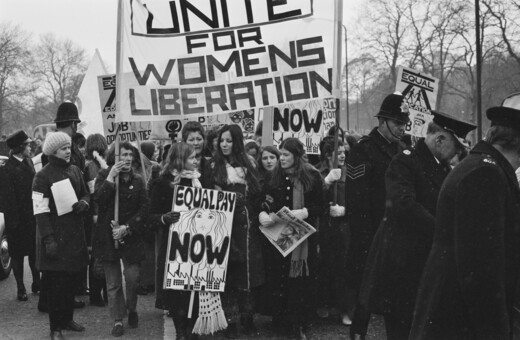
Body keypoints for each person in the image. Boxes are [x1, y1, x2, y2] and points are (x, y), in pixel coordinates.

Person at [351, 111, 476, 340]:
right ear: (439, 140)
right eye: (456, 148)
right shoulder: (405, 160)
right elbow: (403, 204)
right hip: (401, 265)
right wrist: (444, 229)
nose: (457, 155)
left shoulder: (439, 166)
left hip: (421, 264)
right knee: (402, 329)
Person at [409, 105, 520, 339]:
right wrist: (496, 330)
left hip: (451, 304)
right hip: (460, 314)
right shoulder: (487, 174)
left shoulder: (480, 166)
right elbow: (481, 266)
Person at [344, 92, 409, 314]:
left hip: (396, 229)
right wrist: (367, 235)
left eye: (404, 123)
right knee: (365, 287)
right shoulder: (363, 149)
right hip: (370, 229)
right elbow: (356, 198)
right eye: (397, 123)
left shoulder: (402, 149)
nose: (402, 128)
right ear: (382, 121)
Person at [258, 138, 324, 340]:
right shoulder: (273, 176)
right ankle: (280, 318)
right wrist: (263, 213)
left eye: (286, 154)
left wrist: (304, 211)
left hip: (303, 239)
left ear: (296, 155)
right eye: (281, 154)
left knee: (300, 281)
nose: (282, 158)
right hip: (279, 236)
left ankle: (299, 321)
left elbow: (321, 206)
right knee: (279, 278)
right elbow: (265, 200)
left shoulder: (311, 175)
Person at [32, 132, 90, 339]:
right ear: (53, 151)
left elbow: (85, 193)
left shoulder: (75, 170)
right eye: (64, 148)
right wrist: (48, 239)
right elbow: (40, 211)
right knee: (56, 286)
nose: (68, 151)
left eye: (69, 147)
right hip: (56, 238)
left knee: (70, 283)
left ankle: (67, 319)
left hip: (74, 237)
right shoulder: (42, 176)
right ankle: (55, 328)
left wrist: (85, 203)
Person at [208, 124, 264, 337]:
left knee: (246, 274)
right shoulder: (213, 165)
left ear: (237, 142)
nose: (224, 144)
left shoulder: (249, 165)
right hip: (222, 224)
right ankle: (229, 320)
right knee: (225, 273)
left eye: (229, 140)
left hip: (245, 226)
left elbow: (258, 193)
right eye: (222, 140)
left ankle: (247, 317)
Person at [148, 142, 208, 339]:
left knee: (195, 289)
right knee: (177, 292)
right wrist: (164, 218)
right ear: (180, 160)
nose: (196, 161)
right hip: (174, 246)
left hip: (197, 244)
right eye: (192, 158)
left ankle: (192, 330)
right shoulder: (163, 183)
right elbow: (150, 216)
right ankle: (181, 331)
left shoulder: (199, 181)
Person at [92, 141, 149, 337]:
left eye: (129, 154)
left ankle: (131, 308)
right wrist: (110, 178)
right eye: (122, 154)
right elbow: (98, 200)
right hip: (108, 237)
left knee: (132, 278)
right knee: (113, 282)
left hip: (130, 236)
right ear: (114, 157)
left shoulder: (139, 180)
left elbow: (144, 209)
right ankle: (117, 319)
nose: (126, 158)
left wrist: (127, 228)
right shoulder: (103, 175)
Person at [314, 136, 351, 325]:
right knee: (323, 265)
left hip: (343, 226)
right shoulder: (319, 172)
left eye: (345, 151)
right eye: (340, 152)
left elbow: (357, 198)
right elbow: (313, 198)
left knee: (343, 267)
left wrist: (346, 210)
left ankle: (344, 309)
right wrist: (326, 183)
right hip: (324, 225)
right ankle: (323, 303)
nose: (344, 155)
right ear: (329, 155)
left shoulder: (350, 172)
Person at [0, 130, 40, 301]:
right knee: (16, 255)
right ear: (20, 147)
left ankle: (37, 283)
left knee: (34, 253)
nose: (30, 147)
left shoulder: (29, 162)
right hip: (17, 220)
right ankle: (21, 288)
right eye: (28, 145)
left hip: (32, 217)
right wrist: (13, 223)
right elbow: (8, 199)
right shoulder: (7, 169)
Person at [84, 133, 109, 307]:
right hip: (98, 215)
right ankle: (97, 293)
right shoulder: (94, 167)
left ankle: (100, 292)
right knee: (99, 255)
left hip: (97, 214)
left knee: (98, 254)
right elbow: (95, 193)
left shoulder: (93, 165)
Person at [182, 121, 211, 187]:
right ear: (184, 142)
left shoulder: (212, 167)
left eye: (199, 139)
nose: (196, 143)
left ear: (204, 140)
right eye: (191, 140)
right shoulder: (177, 166)